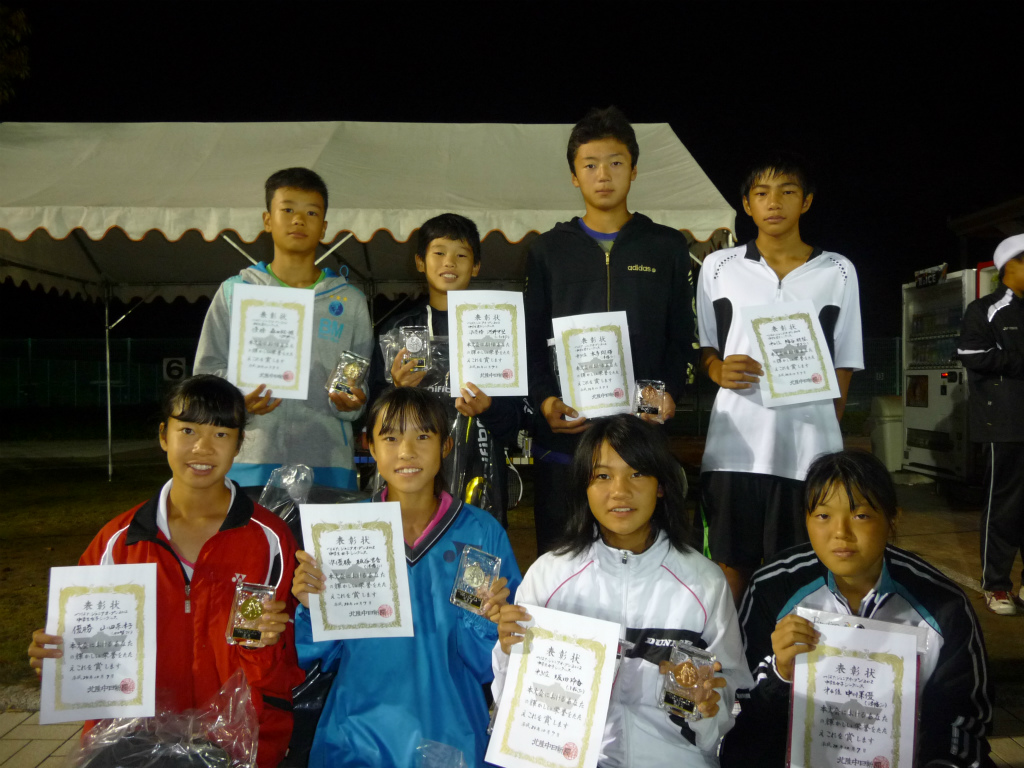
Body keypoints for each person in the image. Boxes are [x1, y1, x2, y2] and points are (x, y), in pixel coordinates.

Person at [28, 375, 303, 768]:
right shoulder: (118, 542)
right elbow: (86, 645)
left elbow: (286, 660)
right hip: (132, 742)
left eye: (221, 434)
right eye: (187, 430)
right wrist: (58, 659)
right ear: (163, 435)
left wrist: (264, 643)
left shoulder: (270, 539)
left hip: (240, 739)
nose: (203, 447)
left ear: (240, 443)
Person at [494, 415, 752, 767]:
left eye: (637, 473)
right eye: (603, 476)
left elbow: (727, 700)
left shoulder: (704, 582)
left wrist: (706, 710)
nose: (619, 491)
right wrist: (508, 651)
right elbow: (513, 704)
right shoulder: (549, 577)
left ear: (661, 485)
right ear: (584, 485)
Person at [291, 386, 522, 766]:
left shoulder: (480, 533)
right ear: (369, 445)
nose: (407, 451)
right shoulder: (342, 532)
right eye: (391, 438)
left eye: (423, 436)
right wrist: (309, 604)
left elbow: (492, 664)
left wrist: (494, 621)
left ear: (446, 446)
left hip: (452, 735)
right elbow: (317, 654)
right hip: (356, 735)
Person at [721, 450, 993, 768]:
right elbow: (740, 708)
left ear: (893, 519)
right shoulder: (773, 587)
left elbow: (966, 722)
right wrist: (780, 674)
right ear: (806, 519)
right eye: (823, 516)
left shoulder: (943, 605)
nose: (841, 533)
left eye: (860, 515)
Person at [524, 106, 695, 554]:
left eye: (616, 163)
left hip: (641, 440)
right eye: (590, 165)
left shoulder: (666, 246)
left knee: (646, 560)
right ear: (574, 176)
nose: (604, 175)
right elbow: (530, 341)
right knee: (563, 561)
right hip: (566, 444)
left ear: (634, 170)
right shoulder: (547, 250)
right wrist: (545, 401)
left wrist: (669, 393)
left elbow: (682, 337)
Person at [696, 153, 863, 603]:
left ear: (806, 201)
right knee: (730, 567)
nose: (774, 203)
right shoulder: (718, 267)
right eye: (762, 193)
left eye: (787, 192)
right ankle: (735, 649)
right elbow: (706, 345)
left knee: (801, 570)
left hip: (808, 452)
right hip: (734, 448)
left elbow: (845, 358)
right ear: (747, 205)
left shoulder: (838, 270)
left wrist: (826, 425)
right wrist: (716, 369)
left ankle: (786, 650)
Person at [194, 167, 373, 493]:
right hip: (248, 459)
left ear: (324, 227)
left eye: (311, 212)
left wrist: (352, 404)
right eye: (287, 209)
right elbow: (205, 376)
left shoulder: (350, 302)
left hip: (328, 462)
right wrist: (238, 400)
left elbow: (358, 385)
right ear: (267, 220)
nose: (299, 220)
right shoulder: (236, 292)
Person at [367, 213, 522, 525]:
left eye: (461, 255)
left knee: (474, 548)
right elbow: (372, 414)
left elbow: (515, 423)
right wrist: (396, 390)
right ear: (420, 262)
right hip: (409, 473)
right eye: (439, 252)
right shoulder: (398, 330)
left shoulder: (498, 327)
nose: (449, 262)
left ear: (476, 266)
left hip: (480, 474)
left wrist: (489, 408)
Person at [957, 233, 1024, 615]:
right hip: (1005, 425)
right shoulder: (985, 309)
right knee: (1004, 507)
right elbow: (971, 352)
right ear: (1009, 266)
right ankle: (996, 585)